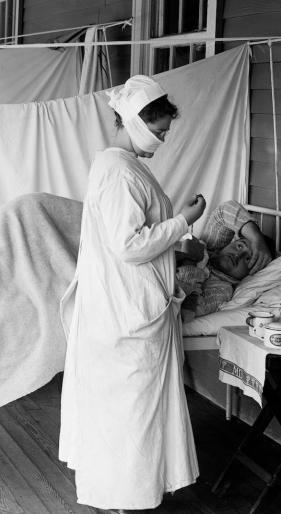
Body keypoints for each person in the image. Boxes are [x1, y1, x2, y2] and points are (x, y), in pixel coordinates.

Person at [59, 75, 205, 512]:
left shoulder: (121, 165)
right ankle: (125, 496)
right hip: (125, 309)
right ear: (136, 123)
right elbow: (129, 246)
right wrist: (184, 220)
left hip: (123, 302)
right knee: (130, 409)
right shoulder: (120, 171)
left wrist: (177, 249)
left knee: (127, 407)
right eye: (158, 132)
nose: (162, 141)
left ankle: (129, 492)